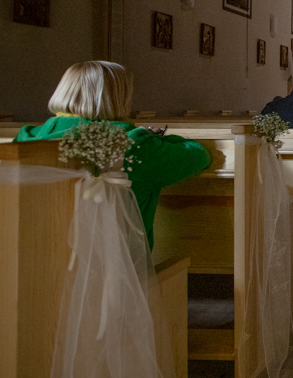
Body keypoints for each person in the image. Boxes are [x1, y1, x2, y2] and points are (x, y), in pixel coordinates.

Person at [15, 61, 210, 248]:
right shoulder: (133, 144)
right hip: (118, 267)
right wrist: (150, 137)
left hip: (37, 260)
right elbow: (198, 155)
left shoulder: (25, 139)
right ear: (118, 99)